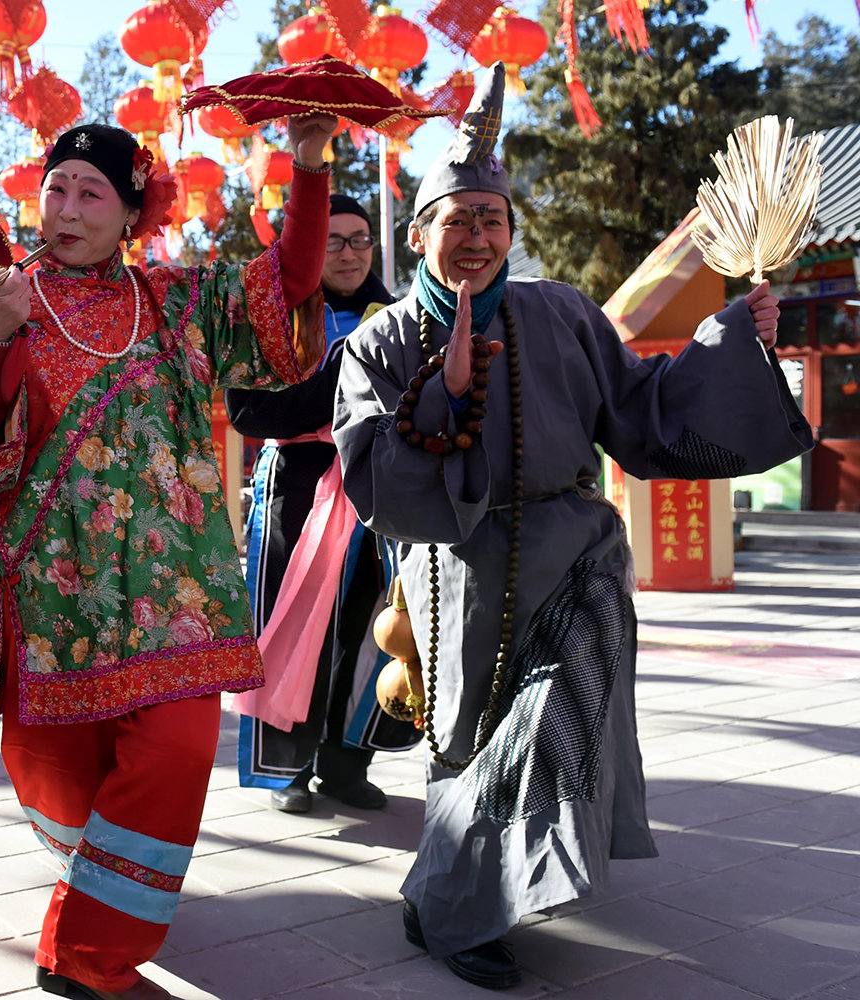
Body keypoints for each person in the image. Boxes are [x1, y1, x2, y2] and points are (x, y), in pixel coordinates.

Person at [332, 65, 814, 990]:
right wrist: (448, 392)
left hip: (580, 551)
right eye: (456, 220)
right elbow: (374, 479)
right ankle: (450, 899)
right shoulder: (382, 342)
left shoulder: (562, 313)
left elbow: (642, 409)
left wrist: (734, 337)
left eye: (492, 220)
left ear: (512, 229)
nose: (476, 237)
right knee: (471, 736)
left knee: (564, 710)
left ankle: (496, 885)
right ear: (424, 229)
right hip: (462, 568)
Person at [0, 118, 334, 1000]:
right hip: (52, 593)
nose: (66, 209)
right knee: (58, 780)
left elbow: (289, 283)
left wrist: (307, 164)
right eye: (55, 187)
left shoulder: (177, 302)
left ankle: (89, 952)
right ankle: (105, 885)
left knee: (179, 749)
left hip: (176, 586)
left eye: (90, 193)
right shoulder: (1, 300)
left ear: (132, 211)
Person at [226, 194, 415, 815]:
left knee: (371, 626)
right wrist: (339, 375)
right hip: (297, 487)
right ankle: (287, 770)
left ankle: (345, 762)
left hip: (376, 486)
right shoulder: (274, 318)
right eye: (332, 240)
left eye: (360, 240)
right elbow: (247, 411)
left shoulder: (401, 316)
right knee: (293, 626)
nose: (349, 253)